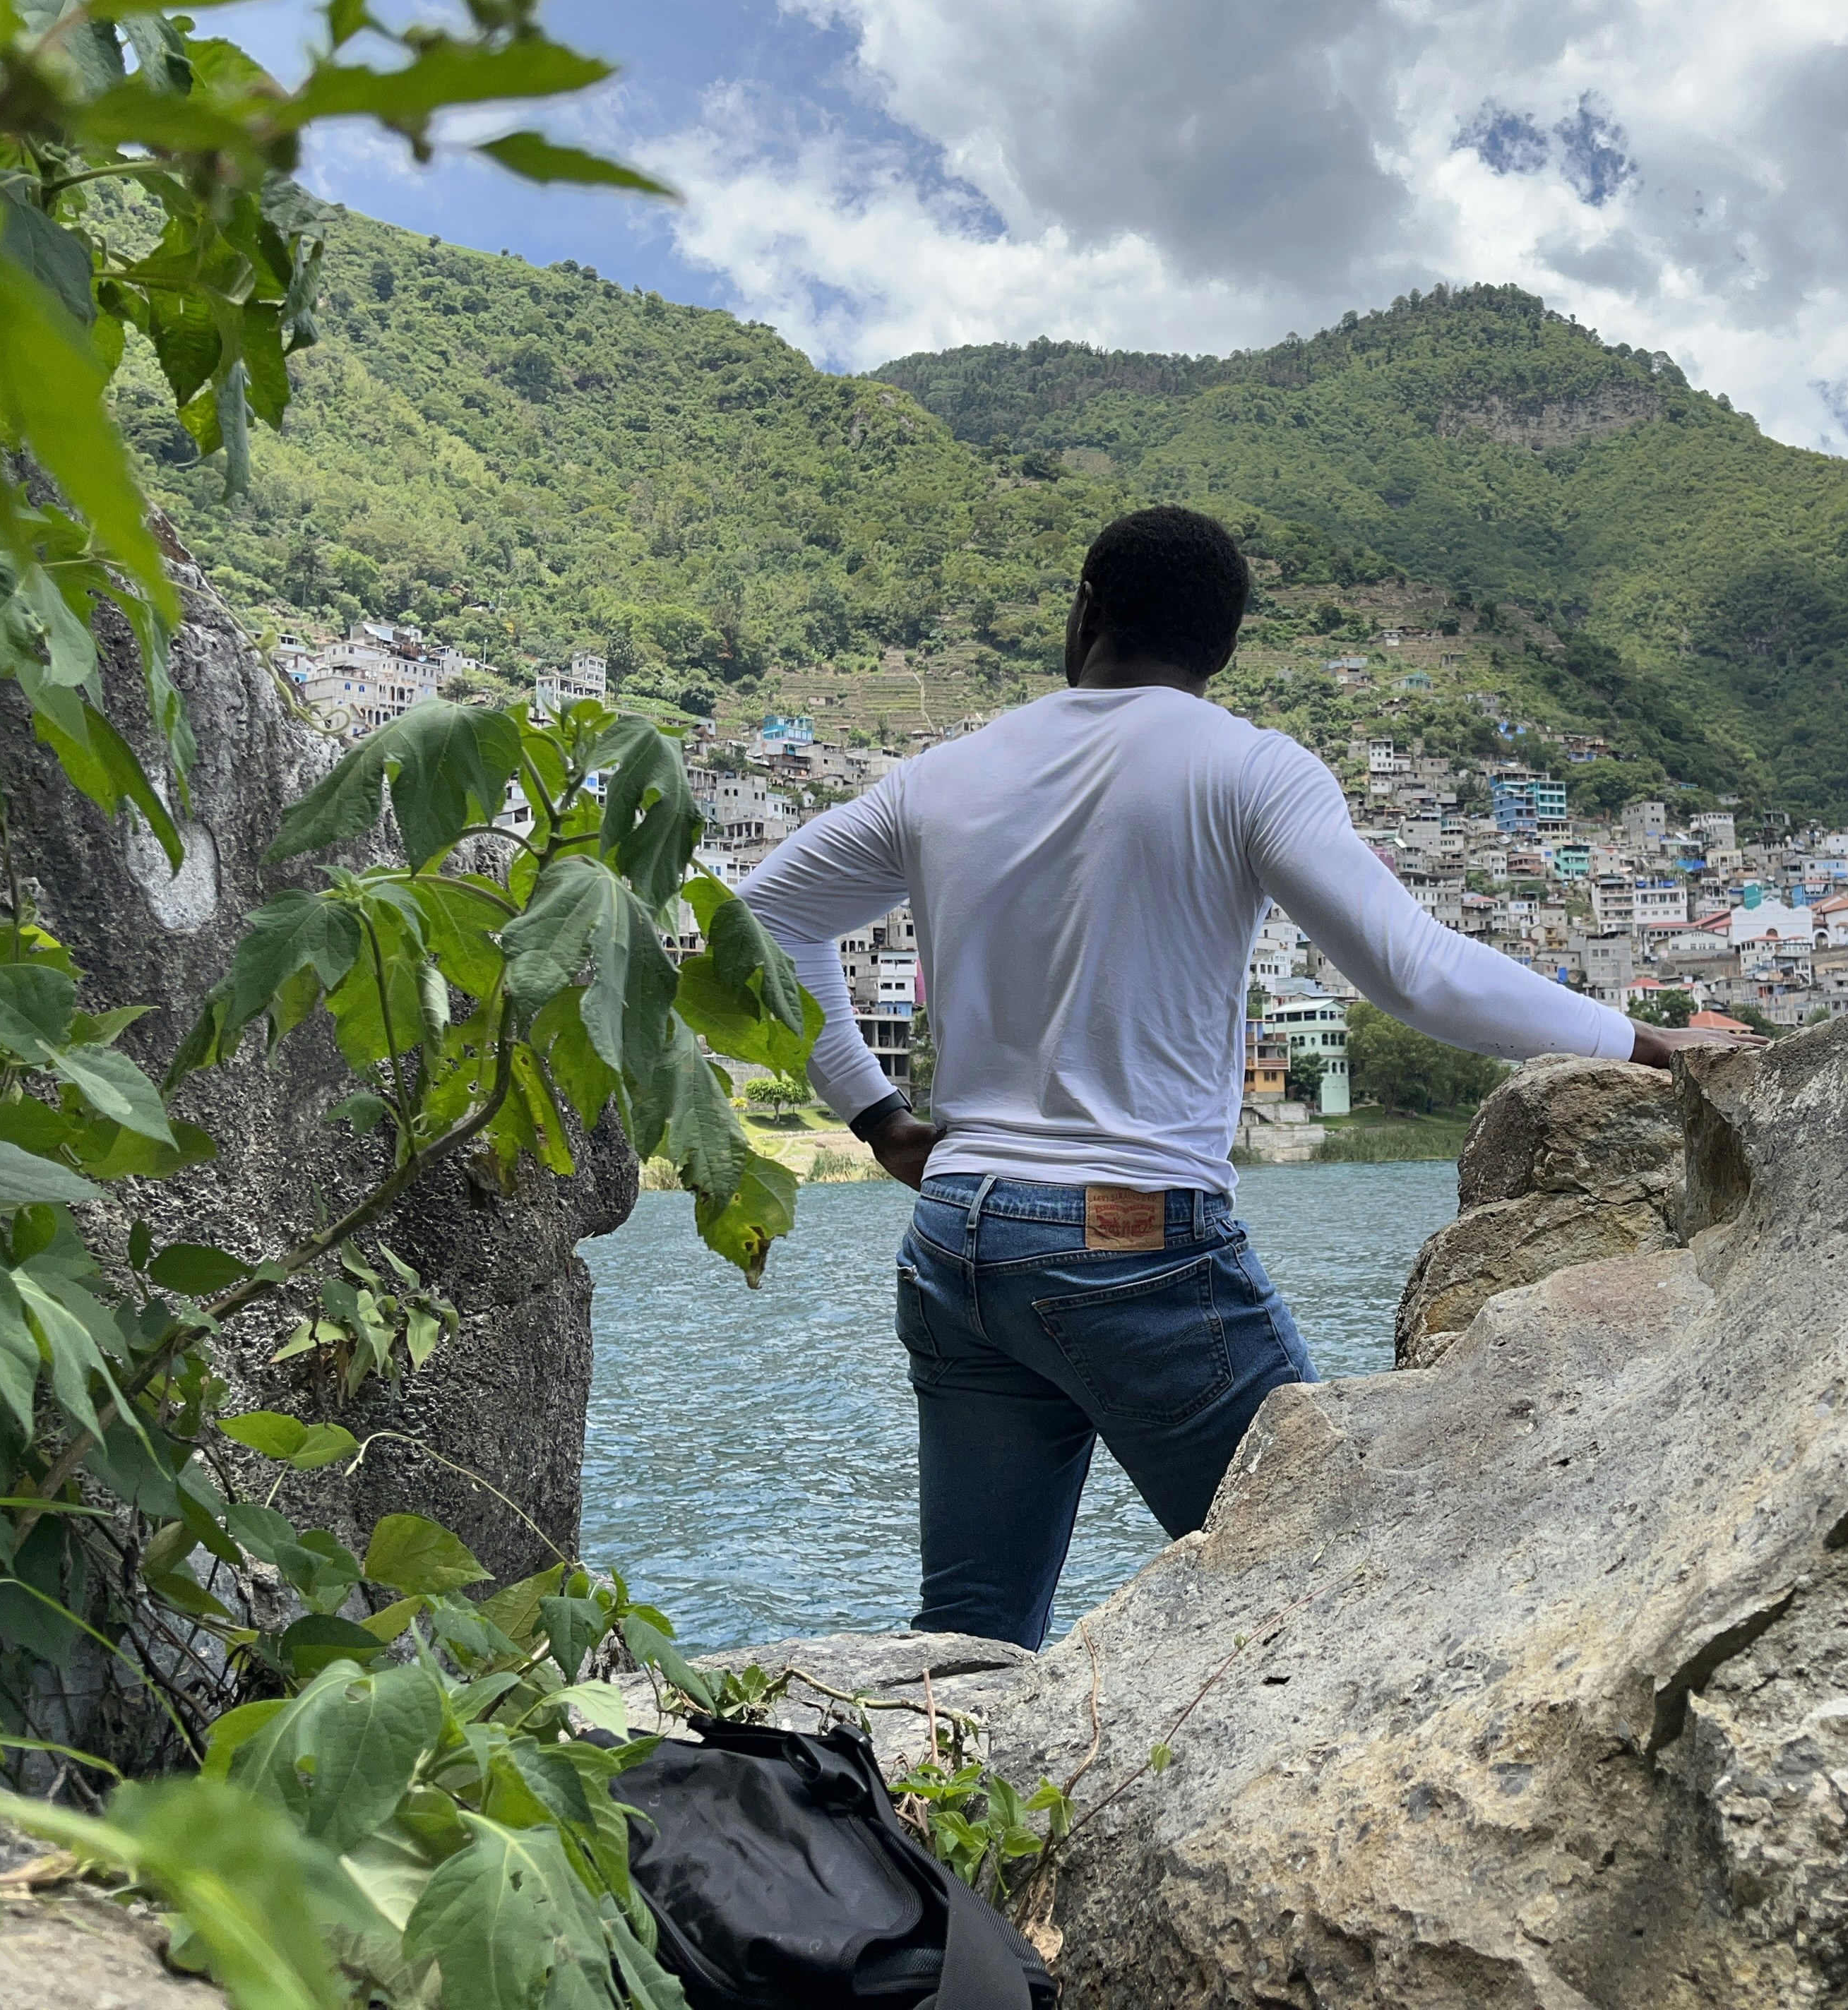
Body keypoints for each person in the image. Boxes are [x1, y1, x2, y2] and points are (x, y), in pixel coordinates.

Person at [741, 506, 1748, 1649]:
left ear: (1085, 612)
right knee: (1331, 1587)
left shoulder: (942, 776)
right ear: (1221, 651)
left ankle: (932, 1817)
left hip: (959, 1238)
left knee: (969, 1633)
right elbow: (1414, 972)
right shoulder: (1250, 767)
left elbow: (760, 921)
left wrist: (875, 1116)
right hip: (1137, 1247)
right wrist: (1641, 1044)